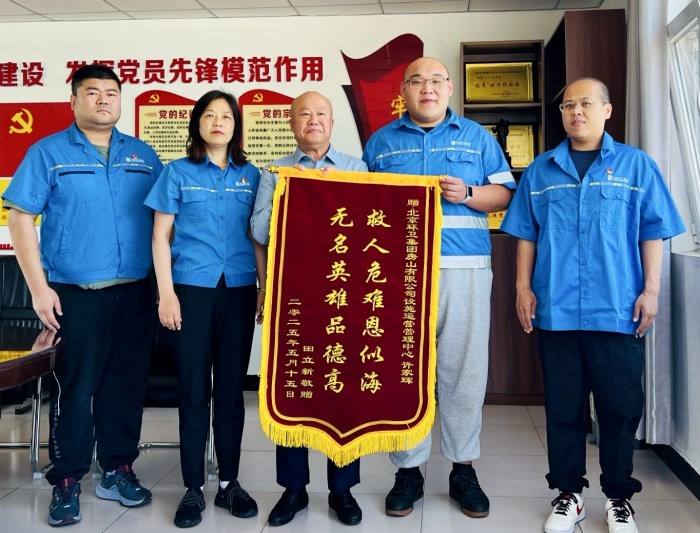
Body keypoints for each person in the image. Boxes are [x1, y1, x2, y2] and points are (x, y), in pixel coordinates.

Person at [501, 77, 685, 533]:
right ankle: (569, 495)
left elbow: (653, 232)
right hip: (556, 309)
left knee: (619, 408)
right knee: (563, 408)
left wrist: (652, 291)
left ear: (607, 110)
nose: (576, 112)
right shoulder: (541, 171)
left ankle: (619, 498)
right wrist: (522, 288)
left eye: (585, 103)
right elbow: (526, 234)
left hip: (617, 309)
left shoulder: (636, 166)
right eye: (568, 105)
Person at [2, 64, 162, 527]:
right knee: (75, 389)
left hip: (136, 293)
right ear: (73, 101)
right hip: (75, 295)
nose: (103, 100)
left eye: (111, 92)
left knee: (125, 387)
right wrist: (38, 289)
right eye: (92, 92)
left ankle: (117, 468)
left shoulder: (143, 155)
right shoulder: (47, 153)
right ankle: (68, 479)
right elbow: (20, 219)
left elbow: (165, 222)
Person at [362, 56, 514, 519]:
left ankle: (462, 468)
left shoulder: (477, 138)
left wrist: (467, 193)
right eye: (416, 81)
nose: (426, 88)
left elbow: (504, 193)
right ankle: (408, 469)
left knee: (464, 370)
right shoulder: (381, 143)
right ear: (403, 91)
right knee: (402, 371)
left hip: (463, 268)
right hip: (397, 273)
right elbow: (361, 202)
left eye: (435, 80)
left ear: (449, 88)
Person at [144, 90, 264, 529]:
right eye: (209, 115)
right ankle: (193, 487)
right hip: (191, 290)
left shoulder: (252, 176)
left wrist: (264, 286)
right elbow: (160, 237)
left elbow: (256, 237)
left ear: (236, 126)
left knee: (231, 391)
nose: (218, 122)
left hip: (239, 290)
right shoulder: (177, 172)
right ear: (197, 123)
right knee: (193, 389)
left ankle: (229, 482)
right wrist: (166, 293)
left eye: (226, 116)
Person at [250, 91, 367, 527]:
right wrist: (291, 192)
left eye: (320, 114)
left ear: (332, 123)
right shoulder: (275, 170)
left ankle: (343, 490)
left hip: (345, 296)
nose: (313, 120)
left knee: (341, 390)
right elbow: (259, 230)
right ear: (292, 123)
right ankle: (293, 489)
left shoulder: (356, 168)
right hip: (292, 297)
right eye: (304, 114)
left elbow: (369, 227)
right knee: (293, 389)